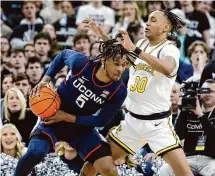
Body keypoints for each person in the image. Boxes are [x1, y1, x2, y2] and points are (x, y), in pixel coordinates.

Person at [81, 10, 193, 176]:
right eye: (147, 20)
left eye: (153, 20)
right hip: (132, 122)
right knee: (92, 165)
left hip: (158, 125)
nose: (147, 23)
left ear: (166, 27)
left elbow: (168, 67)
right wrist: (102, 34)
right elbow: (124, 55)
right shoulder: (141, 44)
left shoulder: (169, 49)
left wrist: (136, 50)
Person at [14, 38, 137, 176]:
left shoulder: (119, 90)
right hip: (53, 119)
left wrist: (67, 117)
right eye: (116, 64)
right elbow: (62, 55)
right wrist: (46, 79)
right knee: (36, 152)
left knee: (109, 170)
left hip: (81, 129)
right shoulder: (82, 63)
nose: (120, 69)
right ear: (104, 60)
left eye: (124, 64)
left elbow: (101, 121)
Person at [159, 79, 215, 176]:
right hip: (189, 159)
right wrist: (183, 110)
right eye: (204, 91)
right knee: (165, 170)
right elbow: (178, 136)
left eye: (211, 91)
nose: (207, 94)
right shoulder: (188, 110)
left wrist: (201, 116)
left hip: (210, 160)